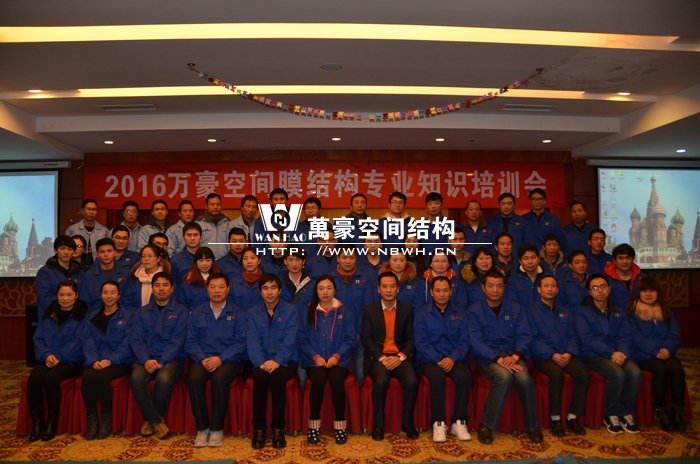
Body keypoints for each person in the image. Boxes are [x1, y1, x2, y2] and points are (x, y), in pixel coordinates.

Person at [467, 270, 542, 445]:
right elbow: (475, 341)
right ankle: (486, 425)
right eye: (491, 286)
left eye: (499, 286)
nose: (495, 290)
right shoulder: (474, 310)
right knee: (504, 376)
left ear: (504, 288)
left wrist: (515, 356)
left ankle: (533, 426)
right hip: (487, 358)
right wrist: (497, 359)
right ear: (483, 288)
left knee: (524, 379)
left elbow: (525, 335)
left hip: (512, 355)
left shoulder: (516, 308)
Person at [575, 273, 642, 434]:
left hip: (618, 353)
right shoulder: (582, 312)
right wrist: (612, 353)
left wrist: (621, 352)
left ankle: (625, 411)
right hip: (593, 355)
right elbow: (587, 339)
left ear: (609, 289)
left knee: (635, 373)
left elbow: (625, 336)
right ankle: (610, 413)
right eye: (595, 288)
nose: (600, 291)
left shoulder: (618, 311)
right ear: (590, 292)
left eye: (603, 287)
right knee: (617, 374)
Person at [186, 273, 246, 447]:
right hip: (203, 358)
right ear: (207, 290)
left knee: (219, 379)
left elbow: (240, 343)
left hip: (228, 360)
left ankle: (217, 428)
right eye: (212, 287)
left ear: (228, 290)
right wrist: (203, 358)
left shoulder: (238, 313)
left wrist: (220, 358)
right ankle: (202, 428)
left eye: (221, 287)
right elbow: (191, 342)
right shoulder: (197, 312)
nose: (217, 291)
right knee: (194, 379)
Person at [130, 272, 188, 440]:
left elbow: (178, 340)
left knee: (164, 379)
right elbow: (136, 339)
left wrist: (162, 361)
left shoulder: (181, 311)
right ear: (152, 288)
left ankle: (150, 421)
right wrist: (145, 359)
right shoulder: (142, 312)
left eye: (165, 285)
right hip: (146, 357)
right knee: (136, 379)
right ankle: (156, 421)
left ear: (172, 289)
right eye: (157, 285)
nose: (161, 289)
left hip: (172, 358)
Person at [298, 276, 356, 445]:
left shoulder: (344, 312)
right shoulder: (308, 311)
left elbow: (350, 339)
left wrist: (336, 356)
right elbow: (302, 339)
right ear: (316, 291)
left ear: (335, 290)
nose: (325, 292)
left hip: (338, 359)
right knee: (318, 381)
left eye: (329, 288)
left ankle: (340, 426)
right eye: (321, 288)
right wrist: (315, 357)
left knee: (337, 381)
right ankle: (314, 427)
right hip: (314, 360)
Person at [528, 275, 588, 437]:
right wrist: (552, 354)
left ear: (557, 290)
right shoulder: (531, 311)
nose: (550, 289)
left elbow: (573, 336)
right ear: (539, 289)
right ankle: (555, 419)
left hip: (565, 354)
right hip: (544, 356)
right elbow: (531, 338)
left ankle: (573, 417)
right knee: (556, 374)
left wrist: (569, 353)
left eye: (553, 286)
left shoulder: (565, 311)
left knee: (582, 373)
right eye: (546, 286)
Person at [28, 280, 87, 441]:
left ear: (76, 295)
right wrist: (47, 355)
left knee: (51, 379)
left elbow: (79, 342)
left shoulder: (82, 316)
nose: (65, 298)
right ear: (57, 296)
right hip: (48, 358)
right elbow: (38, 338)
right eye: (61, 295)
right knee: (34, 379)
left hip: (70, 361)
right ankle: (37, 423)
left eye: (69, 295)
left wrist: (59, 357)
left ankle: (51, 423)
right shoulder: (49, 314)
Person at [361, 272, 418, 441]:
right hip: (378, 357)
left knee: (412, 381)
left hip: (399, 356)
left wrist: (400, 357)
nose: (388, 290)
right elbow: (366, 339)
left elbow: (411, 339)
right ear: (378, 289)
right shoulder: (369, 310)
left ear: (398, 289)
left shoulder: (407, 309)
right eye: (384, 286)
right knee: (380, 382)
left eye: (392, 286)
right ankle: (378, 426)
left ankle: (408, 423)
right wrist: (381, 357)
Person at [414, 276, 472, 442]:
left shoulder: (460, 313)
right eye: (438, 291)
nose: (442, 294)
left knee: (464, 376)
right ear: (432, 293)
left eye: (445, 290)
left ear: (451, 292)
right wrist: (438, 359)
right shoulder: (422, 313)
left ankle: (459, 422)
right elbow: (421, 342)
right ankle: (438, 423)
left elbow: (464, 341)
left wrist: (452, 358)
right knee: (437, 377)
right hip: (430, 360)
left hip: (454, 358)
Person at [246, 274, 299, 449]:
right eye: (265, 288)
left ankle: (278, 428)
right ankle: (259, 429)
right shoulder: (252, 313)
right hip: (261, 360)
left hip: (286, 360)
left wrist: (277, 361)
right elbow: (252, 341)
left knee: (277, 377)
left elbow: (290, 340)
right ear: (260, 292)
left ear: (280, 291)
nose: (269, 292)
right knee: (260, 377)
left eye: (273, 288)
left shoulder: (291, 311)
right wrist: (261, 362)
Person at [627, 276, 686, 432]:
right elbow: (634, 336)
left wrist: (667, 349)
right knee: (659, 369)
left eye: (652, 291)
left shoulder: (666, 311)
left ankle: (678, 410)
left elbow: (674, 334)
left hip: (665, 353)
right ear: (638, 293)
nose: (648, 294)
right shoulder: (632, 311)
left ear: (658, 292)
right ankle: (660, 411)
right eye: (644, 291)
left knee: (676, 367)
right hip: (642, 354)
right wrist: (655, 350)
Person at [80, 281, 134, 440]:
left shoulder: (128, 316)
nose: (109, 296)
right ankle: (92, 421)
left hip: (120, 362)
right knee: (88, 376)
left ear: (118, 295)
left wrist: (110, 360)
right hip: (96, 360)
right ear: (100, 295)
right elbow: (87, 340)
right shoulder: (92, 316)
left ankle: (106, 420)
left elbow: (128, 343)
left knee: (102, 377)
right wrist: (93, 360)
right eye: (105, 293)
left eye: (112, 292)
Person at [331, 246, 376, 385]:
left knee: (360, 373)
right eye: (344, 257)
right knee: (335, 376)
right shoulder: (330, 279)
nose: (348, 261)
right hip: (335, 335)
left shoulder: (364, 279)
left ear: (356, 259)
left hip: (359, 334)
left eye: (351, 257)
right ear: (338, 259)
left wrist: (359, 332)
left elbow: (368, 309)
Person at [35, 236, 83, 318]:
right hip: (51, 316)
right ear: (55, 250)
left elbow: (82, 294)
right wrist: (64, 310)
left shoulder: (79, 272)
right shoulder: (45, 272)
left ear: (73, 251)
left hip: (75, 316)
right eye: (62, 248)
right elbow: (45, 297)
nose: (66, 252)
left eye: (70, 249)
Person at [79, 238, 129, 313]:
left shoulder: (125, 274)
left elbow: (130, 299)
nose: (106, 255)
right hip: (95, 316)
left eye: (109, 251)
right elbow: (84, 302)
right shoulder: (88, 276)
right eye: (102, 252)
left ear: (115, 253)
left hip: (121, 316)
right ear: (97, 255)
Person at [124, 244, 170, 309]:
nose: (146, 259)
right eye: (143, 256)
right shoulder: (135, 277)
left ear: (158, 259)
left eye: (150, 256)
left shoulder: (166, 278)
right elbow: (127, 301)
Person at [605, 243, 643, 310]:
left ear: (633, 259)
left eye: (628, 258)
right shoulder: (605, 279)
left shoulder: (642, 278)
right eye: (620, 258)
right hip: (614, 315)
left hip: (638, 314)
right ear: (614, 260)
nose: (624, 261)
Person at [509, 243, 547, 308]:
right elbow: (512, 305)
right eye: (526, 258)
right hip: (521, 314)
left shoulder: (547, 277)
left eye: (533, 257)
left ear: (539, 259)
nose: (530, 262)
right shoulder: (512, 280)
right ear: (520, 261)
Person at [197, 192, 231, 259]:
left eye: (218, 204)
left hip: (225, 262)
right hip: (205, 261)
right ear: (206, 206)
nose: (215, 207)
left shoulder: (228, 223)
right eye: (212, 204)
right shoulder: (198, 224)